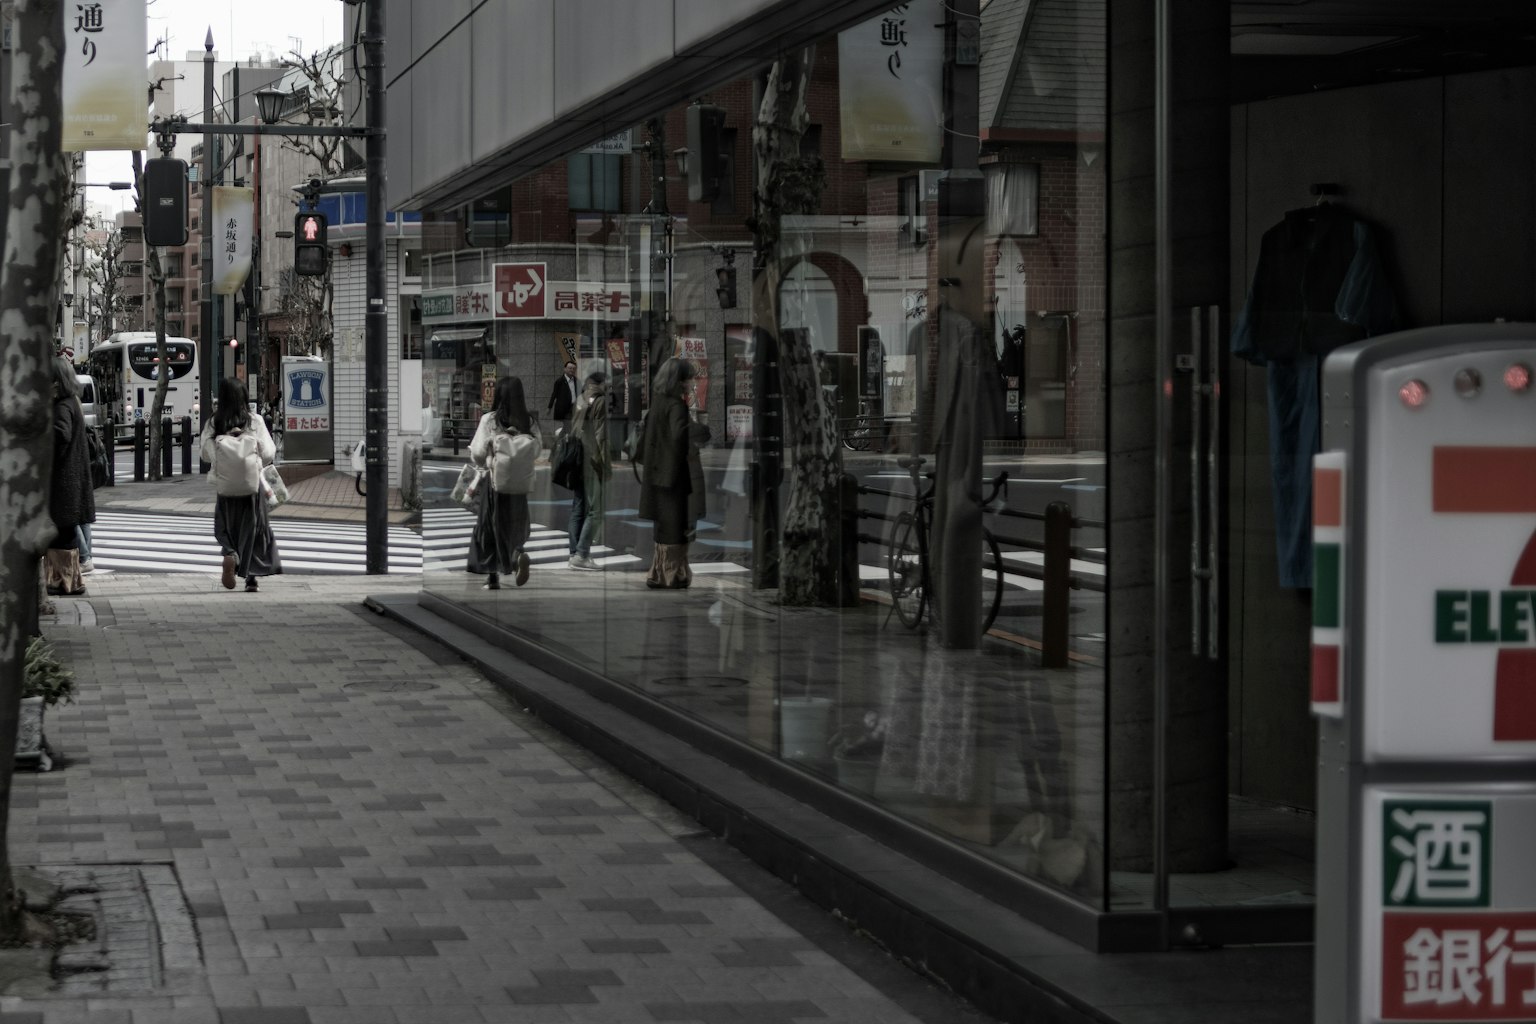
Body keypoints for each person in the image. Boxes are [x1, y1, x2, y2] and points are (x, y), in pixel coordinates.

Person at [198, 377, 282, 593]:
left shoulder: (213, 423)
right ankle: (251, 577)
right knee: (255, 529)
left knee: (225, 527)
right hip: (252, 488)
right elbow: (268, 454)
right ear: (244, 397)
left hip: (225, 488)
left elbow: (205, 455)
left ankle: (231, 554)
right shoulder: (254, 422)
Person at [469, 375, 538, 589]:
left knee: (489, 528)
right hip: (518, 484)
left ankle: (492, 578)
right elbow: (536, 450)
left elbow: (478, 455)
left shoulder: (490, 420)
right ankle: (517, 554)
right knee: (515, 525)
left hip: (494, 484)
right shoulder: (529, 421)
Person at [637, 357, 696, 589]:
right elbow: (679, 438)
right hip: (673, 476)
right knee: (674, 525)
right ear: (679, 381)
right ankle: (673, 575)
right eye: (688, 378)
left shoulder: (658, 403)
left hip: (656, 474)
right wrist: (699, 431)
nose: (692, 382)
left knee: (662, 527)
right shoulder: (676, 407)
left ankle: (659, 572)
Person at [44, 358, 95, 597]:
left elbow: (60, 434)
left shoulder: (62, 405)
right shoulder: (71, 400)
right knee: (65, 533)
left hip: (63, 481)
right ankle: (71, 581)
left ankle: (61, 582)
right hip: (72, 479)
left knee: (60, 534)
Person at [567, 367, 611, 570]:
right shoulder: (600, 401)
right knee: (596, 509)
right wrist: (605, 464)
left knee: (579, 507)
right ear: (601, 384)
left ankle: (574, 553)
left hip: (577, 458)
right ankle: (582, 554)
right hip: (591, 460)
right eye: (607, 383)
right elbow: (601, 435)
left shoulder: (580, 399)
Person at [546, 360, 579, 429]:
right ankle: (562, 438)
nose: (572, 370)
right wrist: (549, 407)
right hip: (564, 408)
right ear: (565, 369)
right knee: (568, 426)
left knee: (570, 426)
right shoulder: (559, 381)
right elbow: (554, 394)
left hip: (574, 407)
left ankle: (562, 438)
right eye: (570, 368)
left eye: (573, 369)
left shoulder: (577, 381)